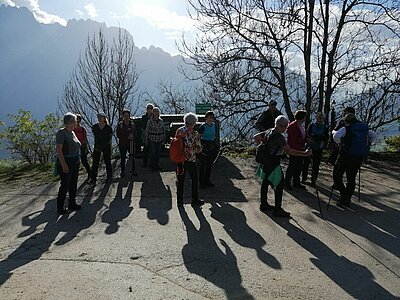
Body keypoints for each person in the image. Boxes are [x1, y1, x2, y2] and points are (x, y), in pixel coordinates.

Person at [254, 115, 312, 217]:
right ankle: (277, 209)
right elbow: (290, 151)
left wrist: (262, 146)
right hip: (274, 163)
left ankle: (264, 204)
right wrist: (305, 154)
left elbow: (256, 137)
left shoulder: (269, 131)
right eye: (285, 127)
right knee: (280, 185)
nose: (286, 129)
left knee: (265, 182)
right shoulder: (279, 138)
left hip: (266, 161)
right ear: (280, 126)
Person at [332, 113, 377, 207]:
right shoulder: (364, 129)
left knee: (337, 176)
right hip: (358, 157)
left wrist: (340, 144)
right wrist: (368, 145)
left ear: (347, 121)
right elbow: (374, 136)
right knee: (351, 178)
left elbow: (336, 136)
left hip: (345, 155)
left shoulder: (346, 128)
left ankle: (344, 196)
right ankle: (347, 198)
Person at [55, 112, 82, 215]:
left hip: (75, 162)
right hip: (66, 161)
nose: (76, 123)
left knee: (73, 184)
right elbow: (59, 149)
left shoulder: (72, 132)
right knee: (65, 185)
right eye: (75, 121)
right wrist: (64, 164)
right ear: (70, 122)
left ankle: (72, 203)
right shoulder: (61, 133)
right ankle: (60, 207)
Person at [176, 113, 204, 207]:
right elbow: (198, 149)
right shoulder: (194, 134)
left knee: (180, 181)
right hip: (190, 159)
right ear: (193, 123)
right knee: (194, 180)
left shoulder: (179, 131)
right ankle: (194, 200)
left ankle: (179, 201)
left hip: (180, 159)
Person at [301, 112, 329, 186]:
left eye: (322, 118)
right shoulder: (311, 125)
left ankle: (313, 181)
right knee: (306, 164)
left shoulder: (325, 128)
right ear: (316, 118)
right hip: (310, 147)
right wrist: (308, 140)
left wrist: (322, 143)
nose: (320, 119)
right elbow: (306, 135)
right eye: (319, 118)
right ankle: (304, 178)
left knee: (316, 165)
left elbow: (326, 138)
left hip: (318, 148)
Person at [285, 110, 308, 190]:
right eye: (304, 117)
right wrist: (305, 141)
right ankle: (287, 183)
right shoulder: (293, 126)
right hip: (294, 149)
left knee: (299, 166)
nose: (305, 118)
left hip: (300, 148)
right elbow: (294, 139)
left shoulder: (301, 125)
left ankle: (296, 182)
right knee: (292, 166)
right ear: (301, 117)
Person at [198, 111, 219, 188]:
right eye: (209, 117)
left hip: (211, 146)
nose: (210, 119)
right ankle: (201, 183)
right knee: (203, 165)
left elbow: (215, 136)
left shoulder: (214, 125)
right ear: (206, 118)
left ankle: (207, 181)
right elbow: (198, 138)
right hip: (204, 146)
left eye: (212, 117)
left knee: (209, 165)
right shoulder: (203, 126)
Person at [91, 112, 113, 183]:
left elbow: (110, 138)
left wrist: (107, 145)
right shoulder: (94, 127)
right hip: (97, 146)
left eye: (101, 117)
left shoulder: (108, 128)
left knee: (107, 161)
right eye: (98, 117)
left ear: (104, 118)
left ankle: (109, 177)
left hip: (106, 146)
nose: (100, 118)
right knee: (95, 163)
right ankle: (93, 178)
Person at [116, 109, 137, 178]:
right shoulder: (120, 125)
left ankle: (133, 170)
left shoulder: (132, 125)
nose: (126, 117)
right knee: (122, 158)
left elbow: (136, 134)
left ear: (129, 116)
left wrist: (132, 136)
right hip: (122, 144)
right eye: (125, 116)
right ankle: (123, 171)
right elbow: (118, 135)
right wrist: (127, 136)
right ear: (123, 116)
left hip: (131, 144)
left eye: (127, 116)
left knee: (132, 157)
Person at [144, 107, 165, 171]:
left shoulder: (161, 121)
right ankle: (152, 165)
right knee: (152, 152)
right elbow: (147, 131)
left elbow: (164, 130)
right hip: (152, 138)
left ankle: (157, 164)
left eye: (157, 112)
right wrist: (146, 140)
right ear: (153, 113)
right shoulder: (149, 121)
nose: (156, 113)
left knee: (158, 153)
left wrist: (164, 139)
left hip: (159, 139)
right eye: (155, 111)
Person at [73, 114, 91, 178]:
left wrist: (86, 147)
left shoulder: (83, 129)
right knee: (75, 162)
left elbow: (85, 139)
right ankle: (74, 176)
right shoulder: (72, 129)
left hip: (82, 146)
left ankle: (90, 173)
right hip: (74, 147)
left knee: (84, 161)